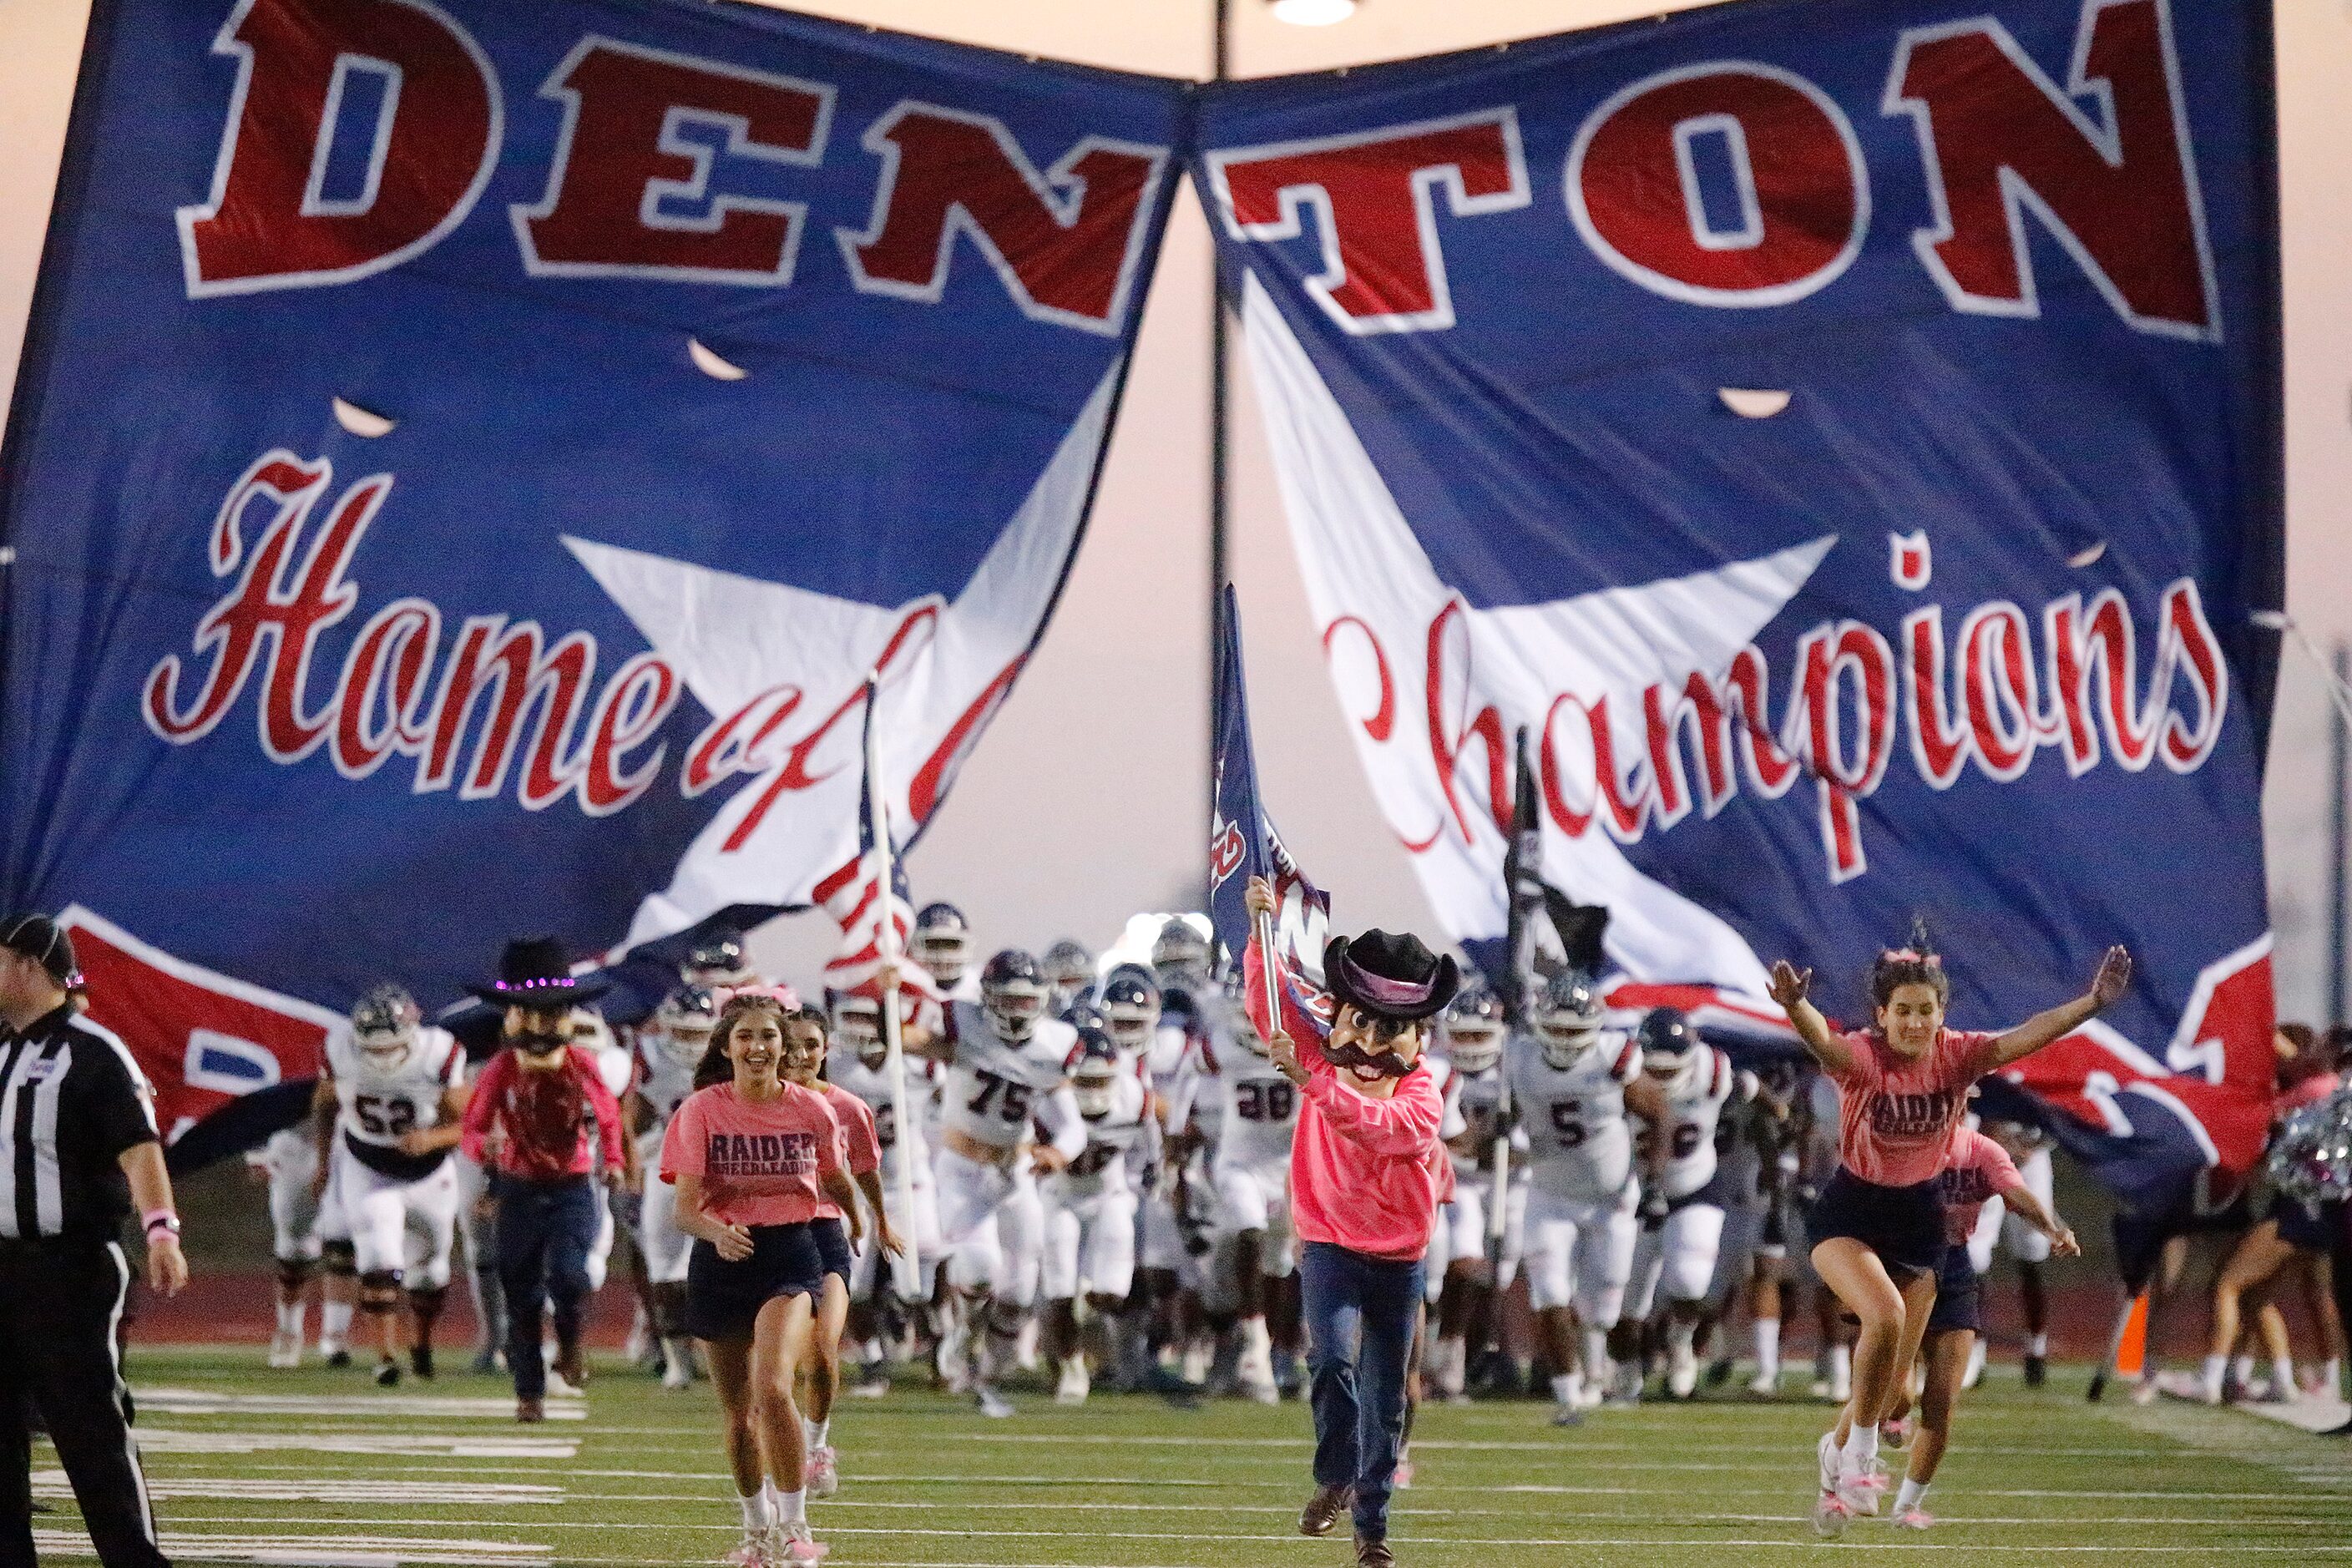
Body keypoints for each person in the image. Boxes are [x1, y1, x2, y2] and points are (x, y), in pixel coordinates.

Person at [1772, 923, 2128, 1535]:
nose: (1914, 1022)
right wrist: (1795, 1005)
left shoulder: (1957, 1054)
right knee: (1881, 1317)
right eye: (1902, 1011)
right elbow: (1822, 1046)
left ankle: (1834, 1453)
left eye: (1925, 1011)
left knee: (1892, 1388)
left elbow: (2027, 1036)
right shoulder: (1863, 1055)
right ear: (1881, 1016)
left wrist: (2091, 1003)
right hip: (1851, 1212)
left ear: (1942, 1015)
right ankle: (1856, 1458)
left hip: (1918, 1221)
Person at [1246, 878, 1453, 1568]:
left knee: (1386, 1391)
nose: (1368, 1039)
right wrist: (1259, 928)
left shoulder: (1423, 1093)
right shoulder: (1321, 1051)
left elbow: (1381, 1129)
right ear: (1336, 1014)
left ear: (1419, 1034)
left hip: (1398, 1254)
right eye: (1357, 1019)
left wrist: (1309, 1083)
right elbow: (1266, 999)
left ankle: (1371, 1527)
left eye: (1389, 1026)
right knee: (1330, 1358)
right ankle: (1334, 1474)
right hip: (1329, 1239)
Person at [0, 913, 188, 1568]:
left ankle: (134, 1561)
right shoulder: (2, 1050)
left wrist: (161, 1231)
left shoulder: (93, 1051)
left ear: (26, 965)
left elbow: (139, 1150)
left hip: (70, 1267)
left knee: (89, 1430)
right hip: (2, 1265)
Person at [663, 988, 868, 1567]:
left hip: (789, 1251)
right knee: (737, 1415)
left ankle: (795, 1527)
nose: (759, 1046)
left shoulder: (811, 1108)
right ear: (726, 1048)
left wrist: (855, 1220)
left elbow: (834, 1178)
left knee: (774, 1387)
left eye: (769, 1036)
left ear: (785, 1047)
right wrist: (715, 1232)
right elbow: (683, 1209)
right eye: (746, 1036)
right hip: (723, 1256)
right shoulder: (701, 1109)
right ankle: (755, 1532)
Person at [457, 938, 634, 1422]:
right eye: (530, 1012)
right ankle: (529, 1390)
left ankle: (572, 1343)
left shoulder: (582, 1064)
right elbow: (474, 1124)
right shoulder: (501, 1067)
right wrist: (482, 1152)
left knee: (572, 1274)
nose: (540, 1024)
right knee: (520, 1290)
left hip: (573, 1185)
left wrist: (613, 1161)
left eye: (550, 1012)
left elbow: (609, 1116)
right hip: (518, 1187)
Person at [1869, 1124, 2079, 1530]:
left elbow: (2017, 1194)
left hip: (1956, 1269)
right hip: (1907, 1269)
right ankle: (1878, 1422)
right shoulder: (1902, 1146)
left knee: (1944, 1399)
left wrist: (2053, 1229)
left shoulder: (1982, 1151)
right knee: (1899, 1395)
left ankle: (1907, 1506)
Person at [908, 948, 1085, 1418]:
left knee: (1020, 1293)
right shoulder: (963, 1025)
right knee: (980, 1267)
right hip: (963, 1168)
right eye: (1009, 1001)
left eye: (1028, 1002)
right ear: (987, 1000)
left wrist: (1058, 1153)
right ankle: (962, 1334)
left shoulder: (1054, 1045)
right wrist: (892, 999)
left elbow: (1072, 1126)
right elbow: (906, 1038)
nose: (1018, 1011)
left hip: (1015, 1174)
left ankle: (988, 1375)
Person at [1501, 972, 1668, 1423]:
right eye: (1556, 1029)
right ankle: (1568, 1396)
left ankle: (1601, 1375)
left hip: (1609, 1198)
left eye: (1574, 1030)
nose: (1564, 1040)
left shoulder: (1613, 1055)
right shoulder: (1518, 1056)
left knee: (1604, 1309)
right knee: (1551, 1294)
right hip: (1549, 1192)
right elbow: (1502, 1119)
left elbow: (1658, 1113)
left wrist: (1653, 1183)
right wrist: (1497, 1134)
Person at [311, 984, 468, 1386]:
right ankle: (384, 1355)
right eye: (373, 1048)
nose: (381, 1056)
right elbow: (325, 1105)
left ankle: (421, 1344)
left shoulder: (438, 1054)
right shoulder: (340, 1050)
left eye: (389, 1046)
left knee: (432, 1270)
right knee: (378, 1258)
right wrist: (323, 1161)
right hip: (369, 1166)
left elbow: (470, 1124)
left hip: (429, 1173)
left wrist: (431, 1138)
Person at [776, 1003, 893, 1498]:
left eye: (812, 1045)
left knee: (824, 1351)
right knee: (776, 1361)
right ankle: (777, 1447)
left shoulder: (848, 1106)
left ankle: (816, 1448)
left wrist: (879, 1220)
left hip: (825, 1230)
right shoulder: (755, 1102)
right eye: (793, 1045)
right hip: (774, 1231)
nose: (802, 1055)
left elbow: (864, 1169)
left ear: (827, 1050)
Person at [1616, 1007, 1751, 1401]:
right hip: (1635, 1192)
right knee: (1628, 1297)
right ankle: (1625, 1373)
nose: (1661, 1080)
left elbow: (1749, 1094)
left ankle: (1681, 1340)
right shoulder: (1621, 1072)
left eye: (1669, 1070)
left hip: (1696, 1186)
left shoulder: (1714, 1071)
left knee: (1690, 1280)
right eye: (1653, 1072)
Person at [1041, 1028, 1153, 1402]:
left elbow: (1149, 1148)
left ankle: (1080, 1314)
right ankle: (1071, 1367)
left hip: (1109, 1196)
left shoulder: (1134, 1097)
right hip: (1059, 1197)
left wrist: (1149, 1179)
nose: (1091, 1089)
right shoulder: (1049, 1104)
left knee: (1111, 1293)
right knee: (1058, 1286)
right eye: (1083, 1081)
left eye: (1099, 1080)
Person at [633, 986, 720, 1390]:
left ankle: (715, 1352)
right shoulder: (649, 1056)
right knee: (662, 1266)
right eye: (680, 1033)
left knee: (709, 1267)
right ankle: (676, 1358)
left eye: (694, 1034)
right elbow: (633, 1113)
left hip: (718, 1171)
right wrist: (632, 1154)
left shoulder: (730, 1058)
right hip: (664, 1166)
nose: (687, 1043)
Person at [245, 1123, 321, 1368]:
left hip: (352, 1139)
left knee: (362, 1246)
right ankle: (290, 1332)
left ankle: (336, 1337)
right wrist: (256, 1153)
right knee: (295, 1253)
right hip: (296, 1145)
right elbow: (261, 1097)